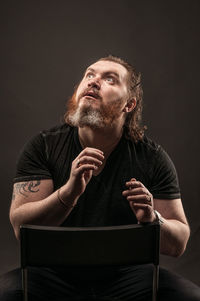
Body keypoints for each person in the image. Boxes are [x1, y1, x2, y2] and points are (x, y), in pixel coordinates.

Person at [0, 55, 200, 301]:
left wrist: (152, 218)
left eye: (110, 79)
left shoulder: (152, 157)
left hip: (128, 275)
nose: (94, 82)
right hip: (50, 273)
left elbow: (178, 243)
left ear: (129, 104)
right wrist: (68, 193)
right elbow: (21, 226)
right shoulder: (44, 147)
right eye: (89, 75)